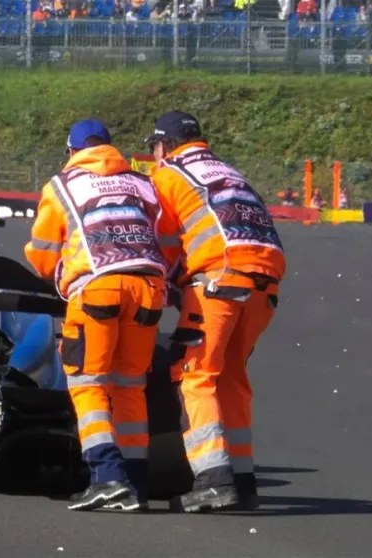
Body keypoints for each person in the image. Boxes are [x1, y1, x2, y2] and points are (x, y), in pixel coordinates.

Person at [144, 111, 285, 512]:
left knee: (195, 375)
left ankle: (213, 480)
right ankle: (243, 481)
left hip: (219, 281)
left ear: (164, 145)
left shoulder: (169, 174)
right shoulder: (230, 173)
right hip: (266, 282)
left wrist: (164, 286)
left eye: (154, 148)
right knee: (232, 378)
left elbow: (163, 242)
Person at [25, 119, 168, 512]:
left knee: (87, 381)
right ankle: (136, 484)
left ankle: (107, 477)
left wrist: (59, 272)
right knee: (129, 386)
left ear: (72, 152)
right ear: (110, 148)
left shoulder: (62, 186)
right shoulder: (142, 183)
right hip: (149, 289)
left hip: (97, 287)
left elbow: (42, 255)